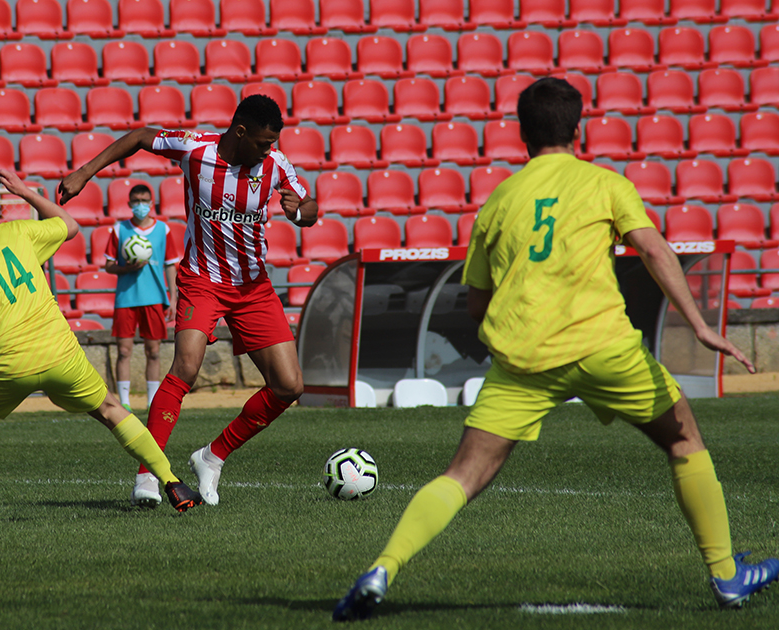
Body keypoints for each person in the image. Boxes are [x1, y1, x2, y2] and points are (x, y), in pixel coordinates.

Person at [333, 78, 778, 621]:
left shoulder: (501, 200)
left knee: (462, 475)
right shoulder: (604, 184)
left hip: (525, 359)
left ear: (522, 133)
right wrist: (700, 325)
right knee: (684, 436)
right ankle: (727, 575)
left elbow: (475, 305)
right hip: (604, 347)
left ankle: (382, 567)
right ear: (578, 128)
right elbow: (654, 249)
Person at [60, 94, 320, 508]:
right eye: (263, 142)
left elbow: (309, 209)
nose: (269, 150)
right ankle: (148, 472)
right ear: (240, 132)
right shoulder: (196, 149)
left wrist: (301, 210)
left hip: (254, 287)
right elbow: (142, 137)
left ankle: (212, 456)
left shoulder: (275, 166)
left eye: (273, 143)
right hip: (202, 281)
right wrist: (85, 172)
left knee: (289, 386)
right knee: (185, 366)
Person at [0, 170, 201, 528]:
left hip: (7, 367)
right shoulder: (16, 230)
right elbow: (69, 225)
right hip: (59, 354)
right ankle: (173, 484)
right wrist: (24, 192)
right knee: (109, 409)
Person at [102, 183, 180, 416]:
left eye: (144, 201)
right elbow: (108, 266)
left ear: (151, 203)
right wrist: (127, 268)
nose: (140, 206)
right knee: (124, 351)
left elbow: (170, 265)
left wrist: (173, 298)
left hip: (155, 297)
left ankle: (152, 401)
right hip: (126, 298)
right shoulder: (119, 230)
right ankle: (124, 402)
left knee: (153, 351)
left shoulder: (163, 230)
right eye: (136, 202)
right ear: (129, 204)